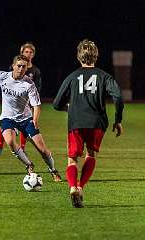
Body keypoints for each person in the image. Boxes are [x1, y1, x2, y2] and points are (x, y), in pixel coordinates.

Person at [53, 39, 124, 208]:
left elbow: (56, 103)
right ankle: (80, 187)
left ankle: (72, 187)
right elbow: (118, 98)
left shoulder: (72, 76)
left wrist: (69, 108)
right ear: (96, 56)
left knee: (72, 159)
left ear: (79, 57)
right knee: (90, 154)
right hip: (97, 122)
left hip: (76, 122)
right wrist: (118, 120)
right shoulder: (104, 76)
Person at [0, 54, 61, 180]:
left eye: (24, 67)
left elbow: (36, 106)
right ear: (13, 66)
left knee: (43, 150)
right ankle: (29, 165)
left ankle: (53, 170)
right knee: (10, 141)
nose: (21, 69)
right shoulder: (2, 76)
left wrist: (35, 120)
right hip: (8, 118)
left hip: (26, 119)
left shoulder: (29, 84)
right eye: (18, 66)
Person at [0, 42, 42, 156]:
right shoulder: (15, 67)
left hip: (28, 102)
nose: (28, 54)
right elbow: (8, 82)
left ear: (33, 54)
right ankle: (0, 146)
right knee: (6, 122)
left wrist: (33, 102)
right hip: (13, 102)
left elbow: (37, 87)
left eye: (30, 52)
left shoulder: (35, 71)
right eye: (26, 52)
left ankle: (22, 147)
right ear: (22, 52)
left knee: (25, 126)